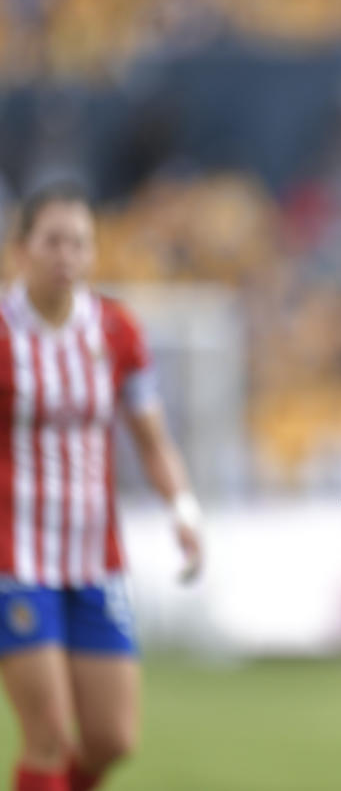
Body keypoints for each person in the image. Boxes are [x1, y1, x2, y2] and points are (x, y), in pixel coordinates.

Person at [0, 183, 204, 791]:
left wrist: (183, 509)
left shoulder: (115, 330)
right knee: (47, 734)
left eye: (79, 243)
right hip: (17, 558)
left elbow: (150, 436)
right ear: (22, 250)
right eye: (53, 242)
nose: (66, 256)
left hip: (96, 557)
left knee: (112, 739)